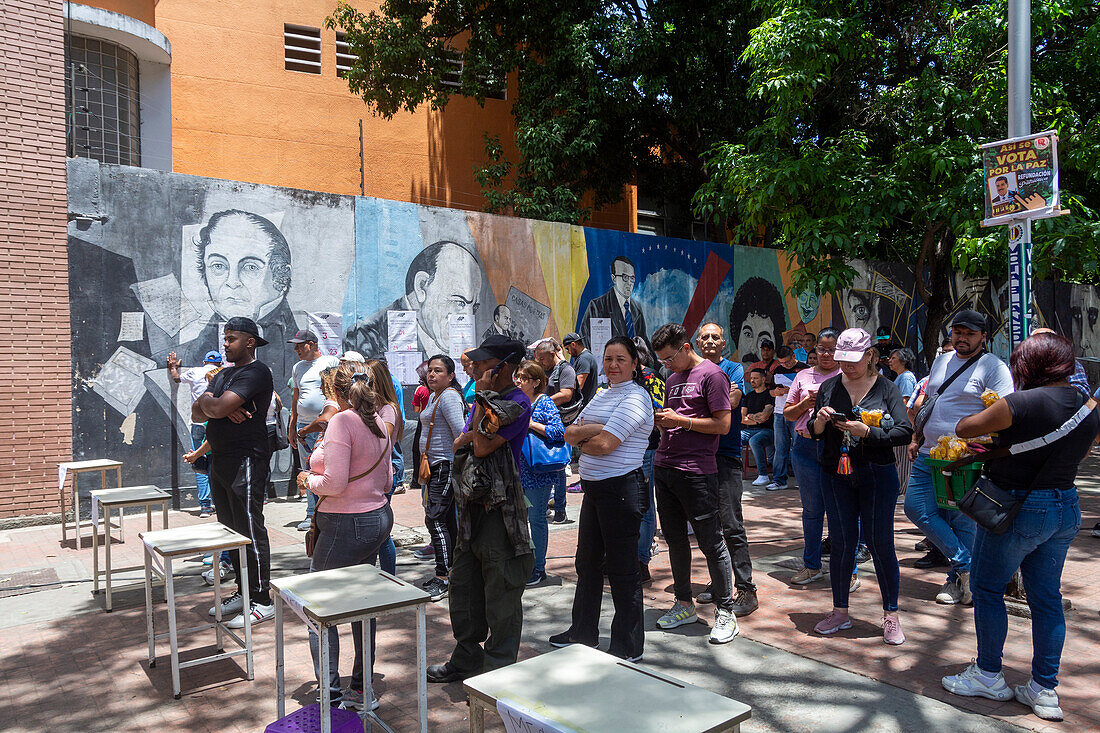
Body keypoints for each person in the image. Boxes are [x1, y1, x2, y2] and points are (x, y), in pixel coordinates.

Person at [942, 333, 1098, 722]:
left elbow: (964, 429)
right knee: (1046, 598)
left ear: (1027, 366)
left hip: (1019, 507)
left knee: (988, 586)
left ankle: (988, 675)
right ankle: (1044, 690)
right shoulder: (1088, 404)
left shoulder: (1020, 402)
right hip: (1065, 507)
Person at [426, 335, 534, 683]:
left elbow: (483, 446)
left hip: (500, 513)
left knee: (501, 594)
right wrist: (472, 432)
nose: (475, 367)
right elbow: (467, 438)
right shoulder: (483, 400)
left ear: (502, 367)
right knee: (464, 589)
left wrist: (471, 435)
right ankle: (467, 658)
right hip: (470, 508)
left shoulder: (517, 402)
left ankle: (499, 669)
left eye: (484, 362)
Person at [296, 360, 398, 711]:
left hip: (346, 524)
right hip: (376, 519)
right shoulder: (381, 421)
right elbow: (387, 481)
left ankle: (331, 694)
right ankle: (360, 687)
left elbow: (334, 484)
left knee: (318, 607)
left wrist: (307, 480)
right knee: (360, 606)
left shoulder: (342, 421)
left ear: (335, 392)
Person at [549, 337, 655, 660]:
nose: (612, 365)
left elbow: (605, 445)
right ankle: (583, 631)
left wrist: (589, 434)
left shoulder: (637, 399)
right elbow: (569, 432)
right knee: (587, 563)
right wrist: (595, 429)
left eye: (621, 359)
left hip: (622, 492)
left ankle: (627, 645)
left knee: (623, 570)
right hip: (595, 491)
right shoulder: (602, 395)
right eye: (608, 358)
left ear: (635, 363)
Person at [809, 328, 913, 645]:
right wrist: (821, 420)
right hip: (835, 473)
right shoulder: (828, 387)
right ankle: (840, 611)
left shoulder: (887, 389)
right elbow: (813, 431)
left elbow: (904, 431)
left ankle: (891, 615)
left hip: (877, 473)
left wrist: (867, 432)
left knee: (881, 543)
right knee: (841, 542)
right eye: (842, 360)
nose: (847, 366)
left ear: (870, 356)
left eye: (853, 360)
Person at [903, 310, 1014, 605]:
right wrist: (917, 437)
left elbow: (1003, 410)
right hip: (930, 454)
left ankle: (958, 581)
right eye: (958, 332)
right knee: (916, 508)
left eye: (970, 333)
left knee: (962, 520)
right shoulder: (942, 360)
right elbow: (929, 402)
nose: (962, 338)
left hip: (965, 458)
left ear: (983, 336)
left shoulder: (994, 366)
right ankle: (966, 566)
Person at [650, 324, 738, 644]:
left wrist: (681, 421)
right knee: (675, 540)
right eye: (662, 361)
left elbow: (722, 424)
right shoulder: (672, 378)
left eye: (670, 358)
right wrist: (662, 422)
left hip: (698, 471)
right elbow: (674, 419)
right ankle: (684, 603)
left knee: (711, 542)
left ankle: (725, 610)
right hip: (665, 467)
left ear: (687, 347)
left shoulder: (712, 375)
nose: (667, 366)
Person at [192, 316, 275, 628]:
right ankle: (244, 591)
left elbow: (213, 409)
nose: (225, 344)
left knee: (250, 529)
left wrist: (214, 406)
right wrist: (212, 403)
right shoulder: (225, 374)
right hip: (221, 461)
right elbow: (199, 411)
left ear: (249, 342)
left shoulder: (256, 372)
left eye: (231, 339)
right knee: (230, 530)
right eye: (224, 338)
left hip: (247, 461)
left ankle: (262, 599)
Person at [694, 323, 756, 615]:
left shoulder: (733, 370)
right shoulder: (691, 373)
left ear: (723, 343)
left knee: (732, 524)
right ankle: (720, 582)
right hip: (698, 457)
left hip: (726, 455)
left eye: (714, 337)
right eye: (704, 337)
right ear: (696, 342)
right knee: (709, 525)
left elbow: (730, 402)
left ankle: (746, 588)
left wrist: (697, 407)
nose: (709, 341)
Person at [344, 240, 486, 358]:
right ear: (421, 286)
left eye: (474, 307)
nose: (468, 316)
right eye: (459, 302)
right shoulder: (364, 337)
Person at [783, 328, 841, 585]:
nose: (827, 354)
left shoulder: (848, 375)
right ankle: (812, 565)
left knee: (842, 509)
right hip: (805, 448)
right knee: (812, 510)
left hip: (838, 448)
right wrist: (806, 404)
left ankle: (848, 570)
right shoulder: (803, 376)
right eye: (822, 349)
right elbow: (787, 414)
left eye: (832, 349)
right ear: (814, 350)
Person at [418, 355, 468, 601]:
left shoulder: (448, 397)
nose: (432, 375)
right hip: (436, 466)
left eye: (438, 371)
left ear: (450, 376)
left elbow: (461, 433)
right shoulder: (436, 395)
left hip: (445, 466)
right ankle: (451, 573)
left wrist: (453, 461)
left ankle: (444, 577)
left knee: (435, 519)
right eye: (430, 371)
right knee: (445, 520)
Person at [513, 360, 566, 586]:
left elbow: (558, 432)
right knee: (520, 520)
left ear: (536, 382)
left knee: (536, 519)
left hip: (537, 472)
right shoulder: (517, 400)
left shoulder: (543, 402)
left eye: (524, 378)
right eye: (517, 376)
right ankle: (526, 563)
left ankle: (538, 567)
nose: (518, 381)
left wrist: (531, 424)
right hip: (518, 470)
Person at [289, 330, 340, 531]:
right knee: (307, 470)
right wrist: (292, 426)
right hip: (303, 426)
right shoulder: (297, 367)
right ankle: (311, 514)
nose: (296, 349)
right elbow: (295, 397)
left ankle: (328, 511)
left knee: (325, 468)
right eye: (295, 346)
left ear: (311, 344)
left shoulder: (330, 362)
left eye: (300, 345)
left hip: (325, 427)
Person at [168, 349, 223, 517]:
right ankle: (219, 504)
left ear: (205, 362)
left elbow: (177, 379)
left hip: (198, 422)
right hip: (215, 422)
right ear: (219, 363)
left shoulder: (195, 371)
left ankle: (205, 507)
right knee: (216, 464)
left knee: (199, 462)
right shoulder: (222, 373)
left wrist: (172, 367)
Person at [364, 358, 405, 573]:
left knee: (382, 533)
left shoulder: (388, 409)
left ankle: (390, 577)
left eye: (366, 379)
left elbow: (383, 439)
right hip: (369, 475)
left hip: (382, 474)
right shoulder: (371, 407)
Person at [534, 339, 578, 523]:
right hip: (543, 426)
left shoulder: (566, 370)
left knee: (558, 466)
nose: (541, 363)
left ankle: (560, 509)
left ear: (552, 355)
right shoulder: (544, 371)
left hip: (561, 425)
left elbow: (566, 394)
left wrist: (542, 403)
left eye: (543, 359)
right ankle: (543, 507)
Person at [632, 337, 665, 584]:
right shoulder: (614, 381)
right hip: (619, 450)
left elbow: (659, 412)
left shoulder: (652, 378)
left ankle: (642, 560)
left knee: (644, 504)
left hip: (646, 448)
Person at [578, 256, 649, 345]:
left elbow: (644, 341)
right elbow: (585, 341)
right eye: (625, 277)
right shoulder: (597, 306)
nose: (629, 283)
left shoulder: (636, 307)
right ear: (614, 278)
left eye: (632, 278)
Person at [768, 346, 807, 491]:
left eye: (788, 362)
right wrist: (776, 392)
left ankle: (802, 479)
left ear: (793, 356)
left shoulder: (804, 369)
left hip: (797, 412)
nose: (785, 365)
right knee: (780, 447)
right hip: (779, 412)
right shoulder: (777, 370)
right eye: (782, 363)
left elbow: (808, 392)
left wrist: (790, 391)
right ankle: (779, 480)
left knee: (799, 446)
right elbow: (770, 391)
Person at [888, 348, 919, 490]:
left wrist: (904, 426)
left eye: (894, 358)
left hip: (902, 425)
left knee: (904, 460)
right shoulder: (900, 376)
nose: (890, 360)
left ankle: (903, 489)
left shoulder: (906, 377)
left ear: (904, 361)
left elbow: (906, 402)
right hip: (897, 424)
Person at [740, 369, 775, 487]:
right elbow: (741, 418)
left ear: (763, 379)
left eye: (755, 378)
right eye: (751, 378)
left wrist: (750, 417)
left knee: (754, 441)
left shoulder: (769, 394)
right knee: (733, 437)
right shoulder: (749, 396)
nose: (752, 380)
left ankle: (763, 475)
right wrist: (756, 420)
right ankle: (734, 470)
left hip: (768, 431)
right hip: (749, 430)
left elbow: (765, 416)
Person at [563, 332, 599, 407]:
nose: (568, 352)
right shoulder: (584, 357)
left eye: (567, 349)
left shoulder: (584, 359)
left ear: (573, 344)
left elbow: (579, 384)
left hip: (584, 405)